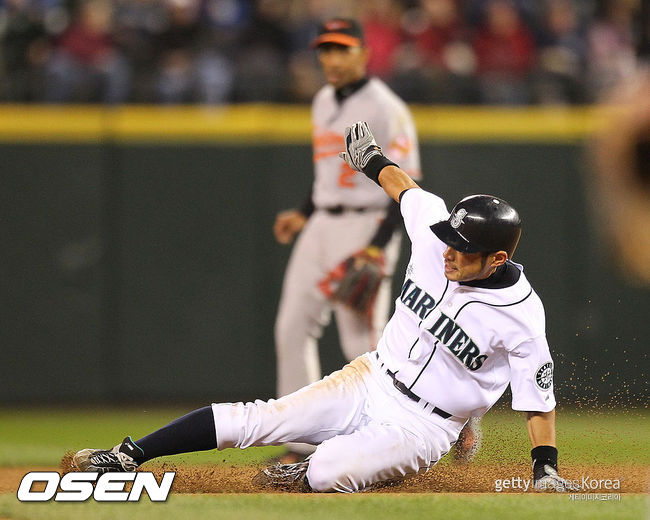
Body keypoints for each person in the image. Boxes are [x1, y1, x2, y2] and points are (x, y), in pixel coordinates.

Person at [73, 121, 565, 494]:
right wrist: (370, 158)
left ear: (499, 258)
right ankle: (126, 455)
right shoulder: (435, 232)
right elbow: (406, 190)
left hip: (425, 426)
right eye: (449, 240)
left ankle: (311, 471)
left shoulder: (520, 316)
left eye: (464, 248)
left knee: (330, 470)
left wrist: (545, 471)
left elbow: (538, 401)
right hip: (370, 377)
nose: (449, 252)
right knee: (260, 420)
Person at [271, 17, 423, 461]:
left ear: (363, 52)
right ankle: (301, 443)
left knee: (363, 343)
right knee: (292, 329)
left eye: (342, 49)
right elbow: (326, 174)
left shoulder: (386, 107)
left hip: (369, 223)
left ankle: (399, 433)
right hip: (321, 224)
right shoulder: (321, 101)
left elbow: (405, 186)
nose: (332, 59)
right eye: (326, 50)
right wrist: (302, 214)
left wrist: (376, 246)